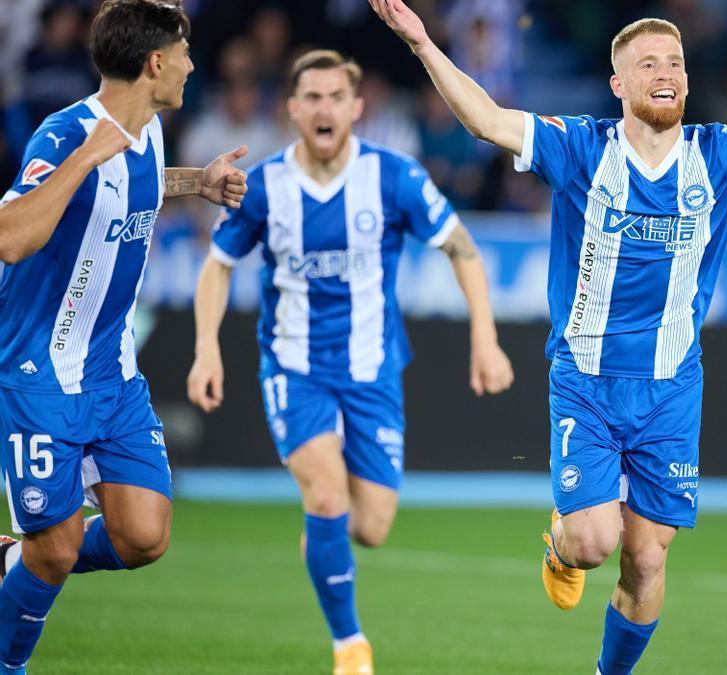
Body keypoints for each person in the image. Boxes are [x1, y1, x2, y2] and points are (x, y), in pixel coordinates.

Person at [369, 0, 727, 672]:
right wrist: (423, 43)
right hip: (587, 379)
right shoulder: (579, 148)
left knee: (647, 556)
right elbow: (487, 121)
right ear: (620, 86)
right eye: (648, 64)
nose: (666, 73)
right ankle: (562, 541)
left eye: (675, 63)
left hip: (671, 388)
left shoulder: (721, 154)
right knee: (594, 543)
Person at [185, 49, 513, 675]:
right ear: (293, 108)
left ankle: (324, 526)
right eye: (311, 97)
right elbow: (217, 266)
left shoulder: (393, 177)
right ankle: (349, 647)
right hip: (294, 367)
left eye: (337, 96)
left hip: (374, 370)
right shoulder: (267, 186)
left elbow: (462, 249)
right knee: (328, 494)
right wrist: (206, 349)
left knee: (373, 525)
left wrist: (485, 337)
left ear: (357, 108)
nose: (324, 108)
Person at [0, 2, 246, 673]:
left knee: (143, 534)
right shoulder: (66, 133)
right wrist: (83, 158)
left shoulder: (153, 131)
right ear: (156, 62)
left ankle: (12, 559)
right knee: (55, 549)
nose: (194, 66)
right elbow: (12, 235)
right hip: (41, 372)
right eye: (185, 53)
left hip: (110, 369)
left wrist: (200, 183)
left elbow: (128, 190)